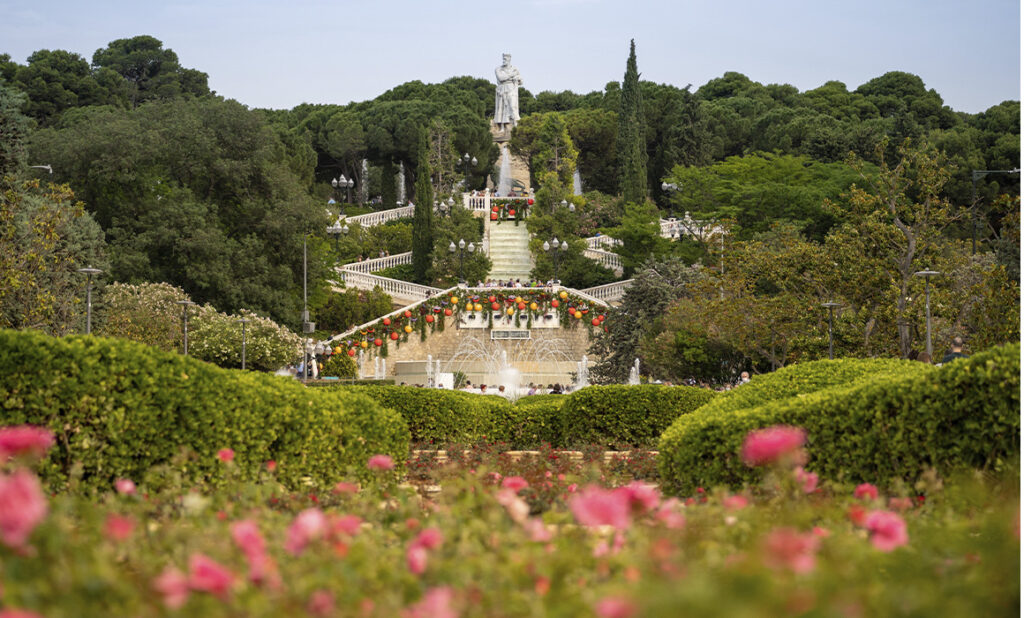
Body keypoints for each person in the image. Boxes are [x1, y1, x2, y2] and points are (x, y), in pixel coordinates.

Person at [494, 53, 523, 130]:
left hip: (512, 89)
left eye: (505, 59)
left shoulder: (514, 69)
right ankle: (502, 127)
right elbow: (501, 78)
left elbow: (521, 81)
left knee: (512, 107)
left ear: (509, 59)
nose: (504, 60)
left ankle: (515, 124)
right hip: (502, 89)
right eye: (503, 58)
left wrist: (517, 79)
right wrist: (512, 75)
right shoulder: (498, 69)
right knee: (502, 108)